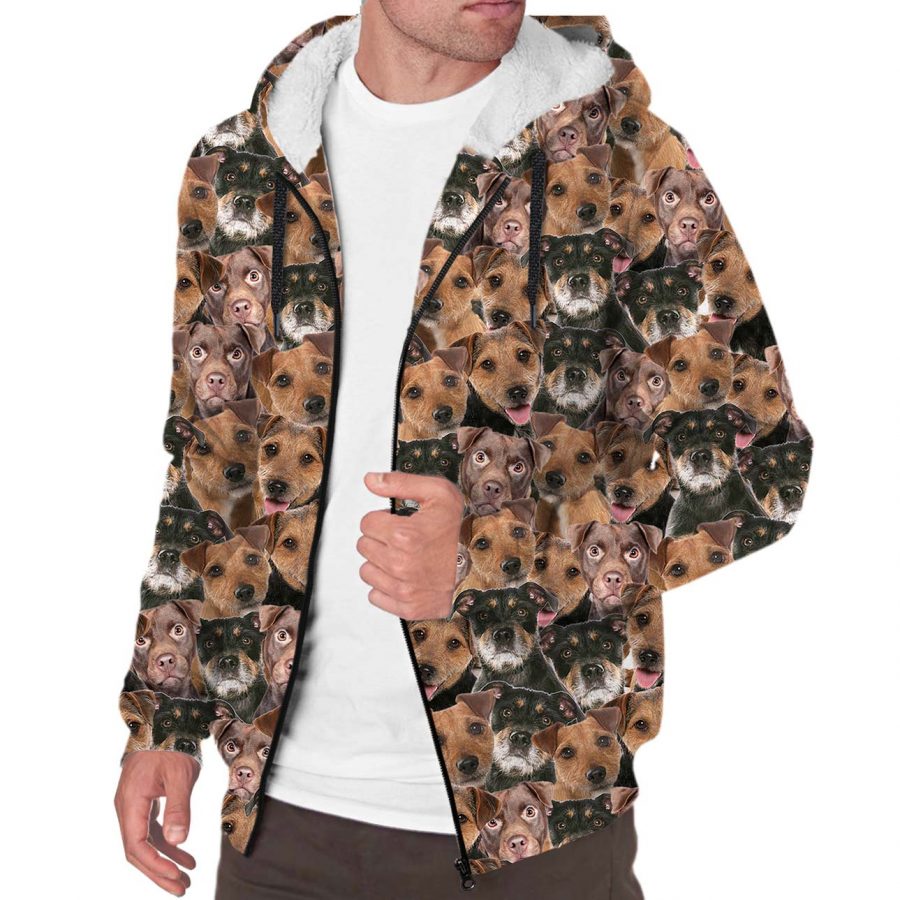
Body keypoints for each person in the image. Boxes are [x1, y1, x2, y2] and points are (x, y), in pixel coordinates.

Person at [114, 2, 812, 897]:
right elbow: (209, 465)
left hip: (534, 820)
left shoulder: (623, 160)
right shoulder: (241, 167)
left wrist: (489, 557)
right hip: (279, 823)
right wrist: (166, 717)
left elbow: (761, 469)